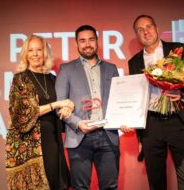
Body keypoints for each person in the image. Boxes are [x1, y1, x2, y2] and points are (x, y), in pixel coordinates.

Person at [128, 15, 184, 190]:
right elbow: (136, 97)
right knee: (156, 183)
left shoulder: (177, 49)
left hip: (179, 121)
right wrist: (139, 136)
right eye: (140, 30)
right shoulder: (134, 62)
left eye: (149, 26)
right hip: (151, 126)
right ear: (137, 36)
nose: (146, 32)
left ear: (157, 28)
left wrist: (182, 96)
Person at [55, 25, 132, 190]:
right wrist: (78, 123)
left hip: (107, 135)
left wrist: (124, 119)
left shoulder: (110, 69)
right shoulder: (66, 69)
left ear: (97, 42)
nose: (87, 44)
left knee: (110, 187)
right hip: (79, 136)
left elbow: (119, 101)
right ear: (76, 44)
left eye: (91, 39)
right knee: (80, 187)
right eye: (82, 40)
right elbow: (59, 104)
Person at [5, 35, 74, 190]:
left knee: (56, 183)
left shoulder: (53, 79)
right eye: (31, 50)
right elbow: (23, 113)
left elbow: (64, 102)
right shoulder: (20, 79)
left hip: (53, 141)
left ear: (45, 53)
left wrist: (66, 108)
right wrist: (58, 104)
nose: (35, 54)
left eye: (39, 50)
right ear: (25, 54)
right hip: (30, 145)